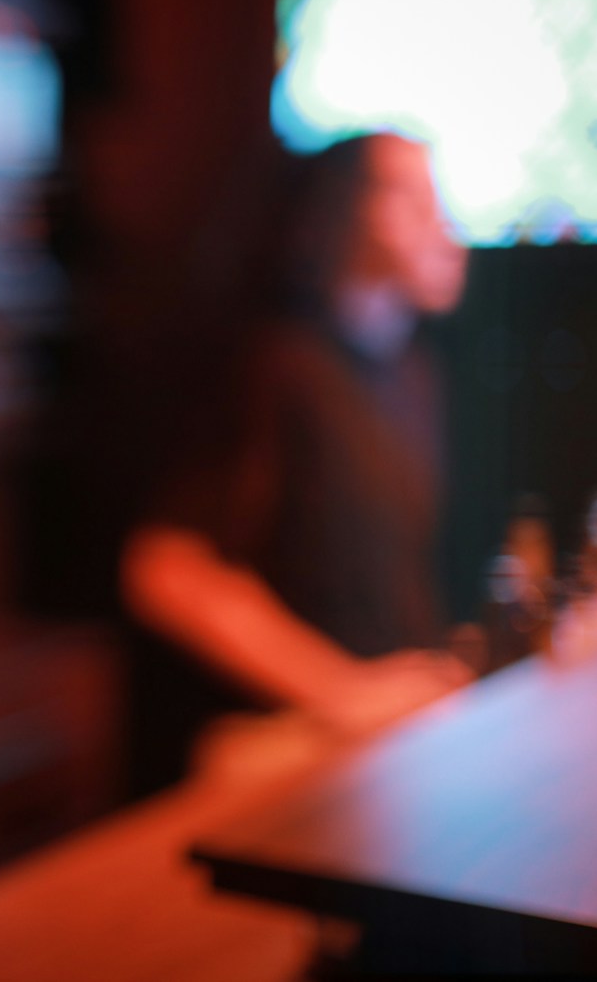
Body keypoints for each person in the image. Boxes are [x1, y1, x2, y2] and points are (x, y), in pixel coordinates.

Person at [120, 132, 475, 793]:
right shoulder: (279, 370)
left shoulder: (412, 374)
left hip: (389, 758)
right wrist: (344, 693)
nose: (444, 226)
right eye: (412, 198)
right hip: (295, 760)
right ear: (336, 210)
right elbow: (167, 570)